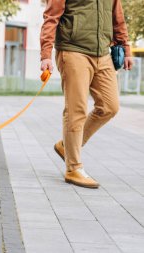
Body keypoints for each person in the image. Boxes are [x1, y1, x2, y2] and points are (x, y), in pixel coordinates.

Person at [40, 0, 133, 188]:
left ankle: (67, 147)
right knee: (77, 109)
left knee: (109, 106)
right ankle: (73, 167)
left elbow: (118, 18)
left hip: (103, 53)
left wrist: (126, 48)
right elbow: (51, 18)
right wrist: (46, 55)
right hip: (73, 50)